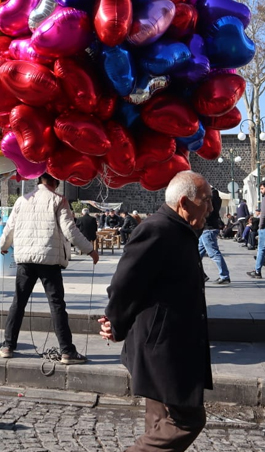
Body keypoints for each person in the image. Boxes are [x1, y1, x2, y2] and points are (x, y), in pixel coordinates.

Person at [99, 171, 212, 452]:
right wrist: (115, 322)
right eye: (206, 200)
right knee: (188, 418)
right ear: (184, 202)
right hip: (161, 346)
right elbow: (125, 281)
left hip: (167, 342)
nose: (210, 208)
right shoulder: (158, 229)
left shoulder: (181, 230)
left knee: (160, 420)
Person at [0, 173, 98, 364]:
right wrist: (89, 250)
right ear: (55, 182)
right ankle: (67, 351)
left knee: (18, 302)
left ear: (38, 181)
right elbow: (70, 230)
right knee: (57, 304)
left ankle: (8, 345)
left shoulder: (22, 200)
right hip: (49, 261)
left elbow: (10, 227)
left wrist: (3, 246)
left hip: (25, 260)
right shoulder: (58, 200)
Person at [199, 188, 230, 285]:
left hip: (208, 228)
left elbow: (206, 213)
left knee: (213, 253)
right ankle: (201, 275)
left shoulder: (209, 200)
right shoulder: (216, 199)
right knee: (197, 254)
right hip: (210, 228)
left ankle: (224, 276)